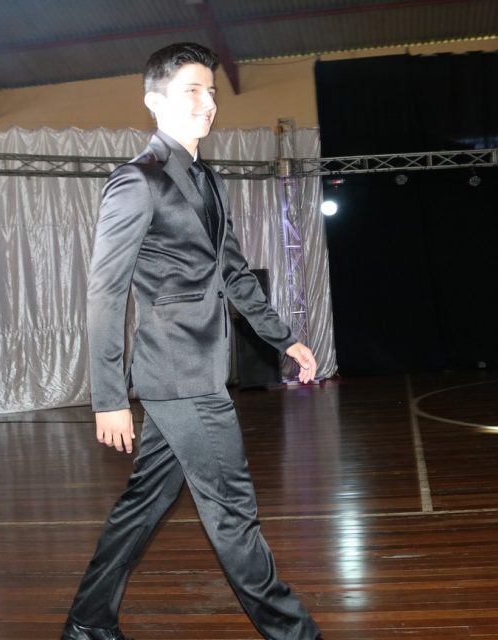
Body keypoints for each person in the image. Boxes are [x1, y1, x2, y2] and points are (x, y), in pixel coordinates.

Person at [61, 42, 322, 640]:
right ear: (154, 102)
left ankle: (87, 623)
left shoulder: (205, 177)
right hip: (180, 375)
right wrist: (108, 397)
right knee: (234, 514)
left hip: (192, 370)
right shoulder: (137, 181)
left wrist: (284, 339)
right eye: (192, 91)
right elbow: (106, 292)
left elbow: (232, 272)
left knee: (143, 504)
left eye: (211, 91)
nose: (208, 103)